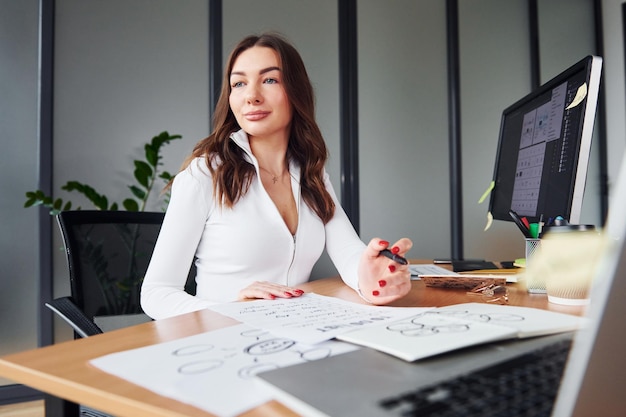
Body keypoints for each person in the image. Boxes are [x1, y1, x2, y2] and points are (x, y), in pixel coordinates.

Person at [141, 32, 413, 320]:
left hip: (294, 336)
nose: (252, 95)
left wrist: (371, 275)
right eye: (239, 83)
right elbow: (156, 293)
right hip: (222, 340)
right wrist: (229, 309)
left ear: (296, 91)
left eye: (269, 80)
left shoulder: (310, 172)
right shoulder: (205, 173)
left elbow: (347, 251)